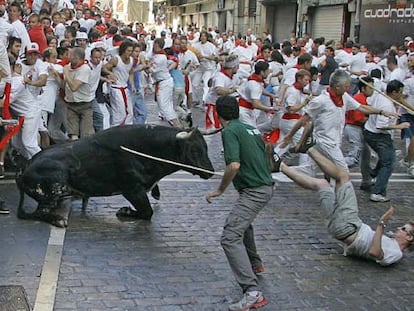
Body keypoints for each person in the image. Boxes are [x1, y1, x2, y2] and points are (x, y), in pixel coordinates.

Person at [277, 145, 414, 266]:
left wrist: (382, 223)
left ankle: (309, 148)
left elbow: (374, 252)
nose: (398, 228)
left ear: (409, 237)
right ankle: (280, 166)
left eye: (403, 229)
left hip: (350, 228)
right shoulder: (392, 243)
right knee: (322, 184)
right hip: (341, 228)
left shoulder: (396, 253)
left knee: (343, 177)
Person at [205, 95, 274, 311]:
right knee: (244, 224)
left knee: (229, 236)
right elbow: (267, 149)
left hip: (255, 191)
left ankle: (252, 292)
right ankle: (255, 263)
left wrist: (220, 189)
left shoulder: (230, 131)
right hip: (263, 186)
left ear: (218, 114)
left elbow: (233, 165)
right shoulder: (249, 127)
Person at [363, 80, 410, 202]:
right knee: (389, 163)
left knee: (387, 157)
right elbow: (381, 125)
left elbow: (369, 102)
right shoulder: (386, 105)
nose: (401, 94)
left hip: (369, 131)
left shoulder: (380, 95)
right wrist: (399, 126)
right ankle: (378, 192)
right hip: (378, 135)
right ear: (394, 92)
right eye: (400, 92)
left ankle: (373, 174)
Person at [63, 46, 94, 140]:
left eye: (71, 55)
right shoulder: (68, 67)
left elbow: (73, 87)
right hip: (71, 104)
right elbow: (64, 85)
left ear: (77, 58)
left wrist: (66, 73)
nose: (68, 57)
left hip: (85, 104)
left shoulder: (85, 69)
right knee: (73, 133)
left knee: (86, 134)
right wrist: (56, 75)